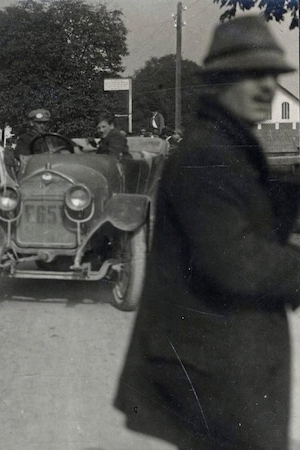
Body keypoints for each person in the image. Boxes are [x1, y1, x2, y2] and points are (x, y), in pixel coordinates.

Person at [114, 16, 300, 450]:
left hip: (222, 368)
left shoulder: (230, 147)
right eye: (250, 75)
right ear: (218, 82)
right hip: (214, 375)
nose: (266, 87)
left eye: (272, 74)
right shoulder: (207, 155)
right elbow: (240, 265)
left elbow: (260, 209)